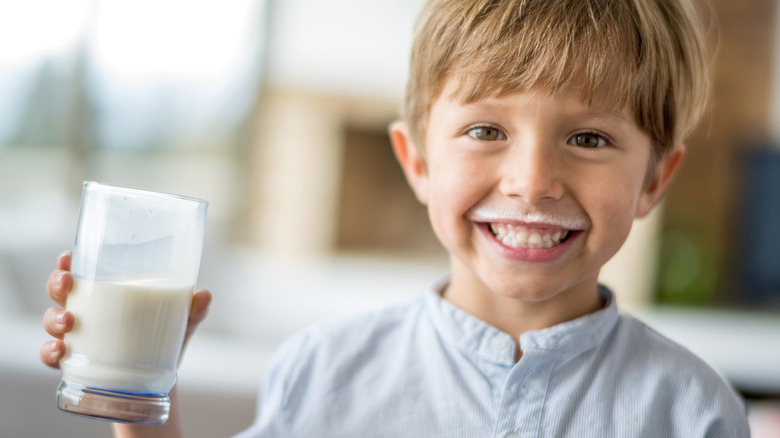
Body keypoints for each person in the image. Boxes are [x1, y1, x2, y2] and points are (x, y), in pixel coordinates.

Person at [41, 0, 751, 436]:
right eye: (485, 131)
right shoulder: (323, 372)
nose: (532, 183)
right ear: (416, 162)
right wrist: (137, 392)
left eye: (589, 139)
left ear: (656, 177)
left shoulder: (692, 410)